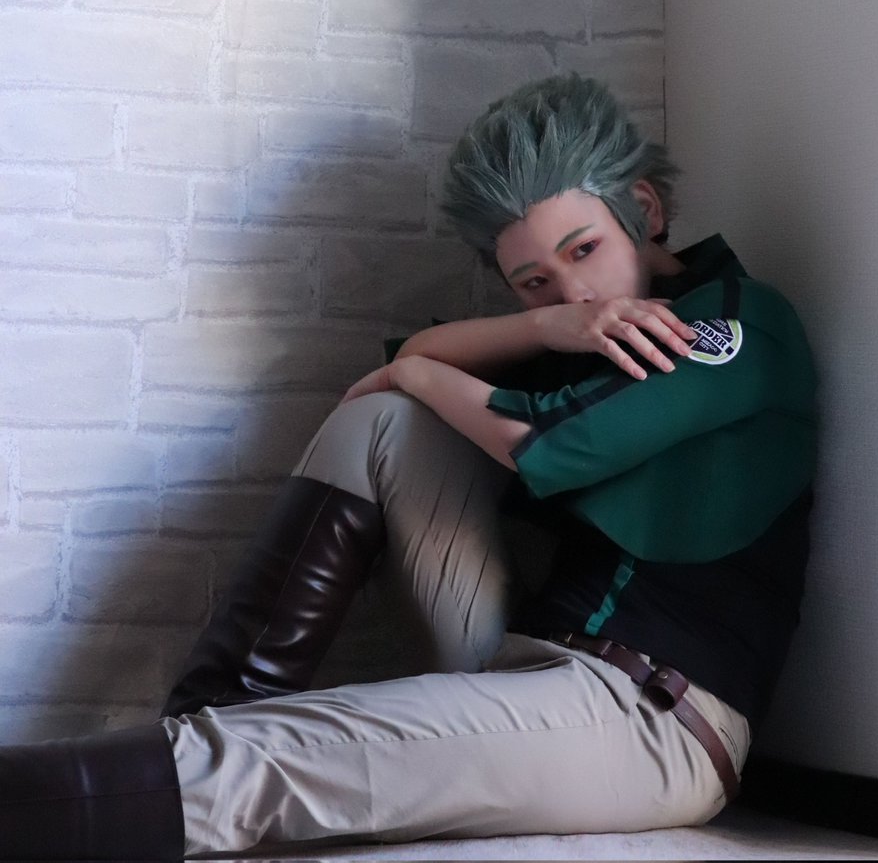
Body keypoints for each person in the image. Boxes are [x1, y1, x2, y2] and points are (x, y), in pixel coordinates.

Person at [0, 74, 817, 861]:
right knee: (383, 420)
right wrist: (542, 330)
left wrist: (420, 372)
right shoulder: (585, 335)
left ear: (644, 208)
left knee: (277, 760)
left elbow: (554, 443)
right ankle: (213, 709)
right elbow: (411, 370)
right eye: (535, 281)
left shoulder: (734, 324)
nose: (572, 292)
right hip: (519, 660)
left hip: (650, 718)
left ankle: (162, 764)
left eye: (585, 249)